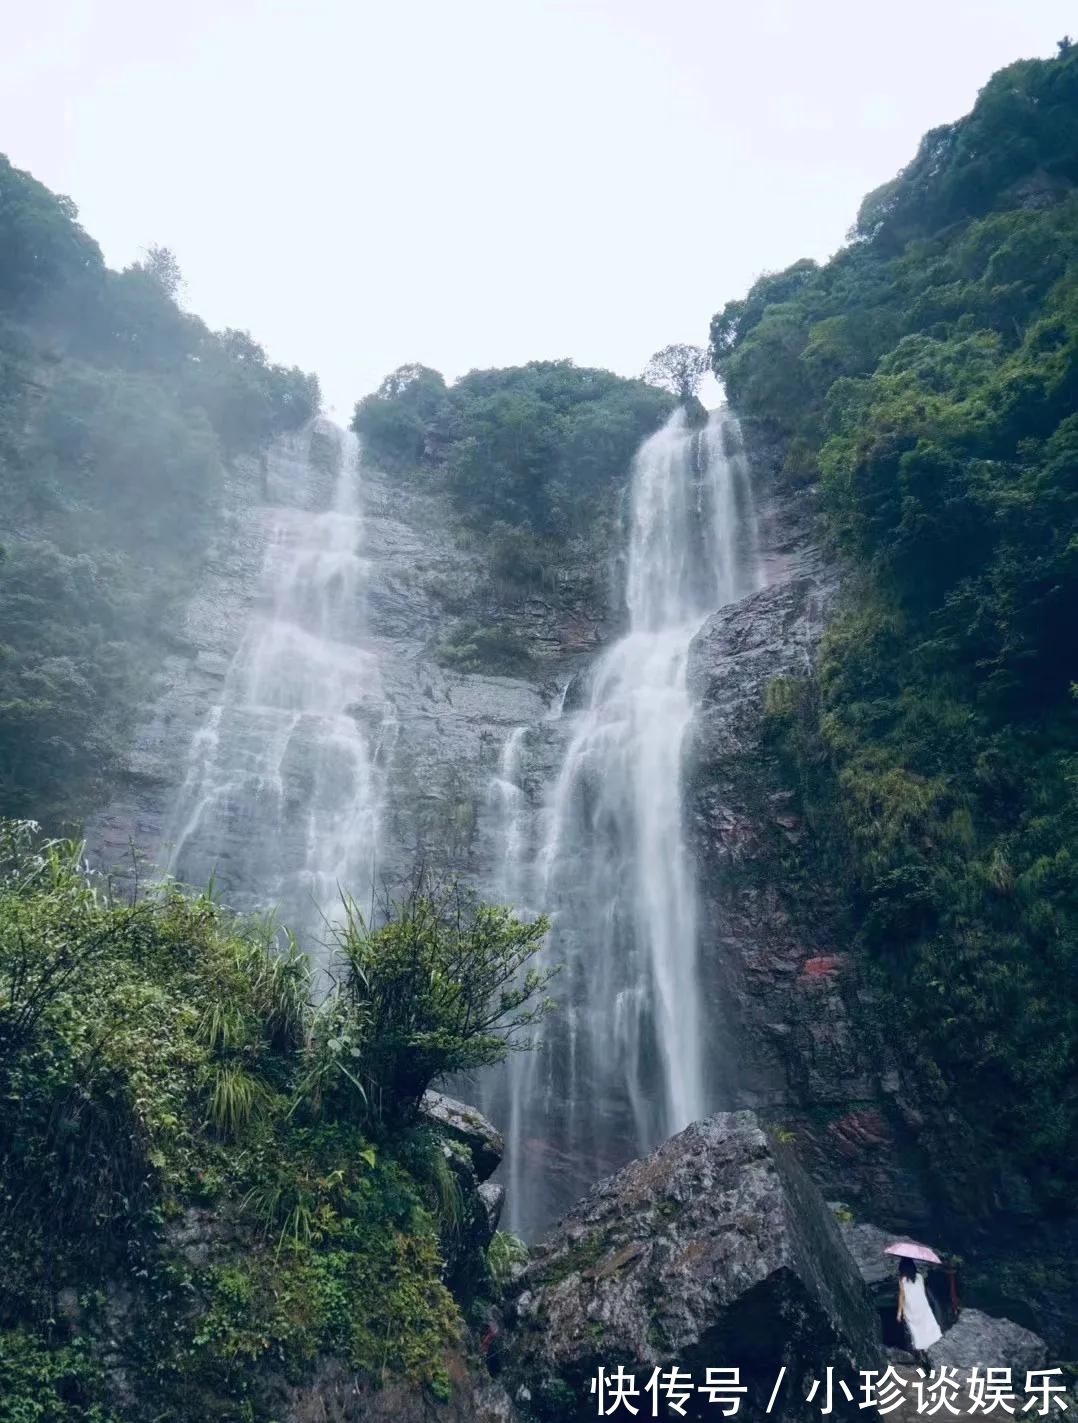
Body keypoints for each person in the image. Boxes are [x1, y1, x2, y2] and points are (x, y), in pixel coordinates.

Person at [897, 1256, 943, 1352]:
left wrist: (899, 1312)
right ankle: (933, 1340)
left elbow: (902, 1296)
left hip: (911, 1306)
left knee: (915, 1327)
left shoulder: (902, 1280)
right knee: (926, 1322)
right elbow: (922, 1291)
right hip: (921, 1303)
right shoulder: (919, 1277)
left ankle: (920, 1345)